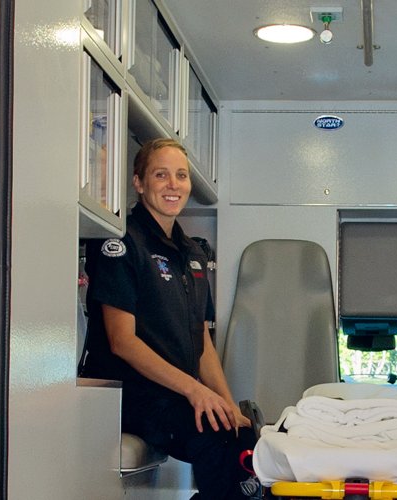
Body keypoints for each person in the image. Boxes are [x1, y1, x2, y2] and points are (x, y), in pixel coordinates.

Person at [81, 138, 257, 500]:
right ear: (139, 182)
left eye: (181, 175)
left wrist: (225, 402)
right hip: (128, 398)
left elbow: (201, 342)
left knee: (244, 438)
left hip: (174, 397)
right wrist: (196, 392)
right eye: (161, 175)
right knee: (212, 433)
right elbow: (122, 341)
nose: (173, 184)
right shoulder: (121, 243)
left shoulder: (192, 253)